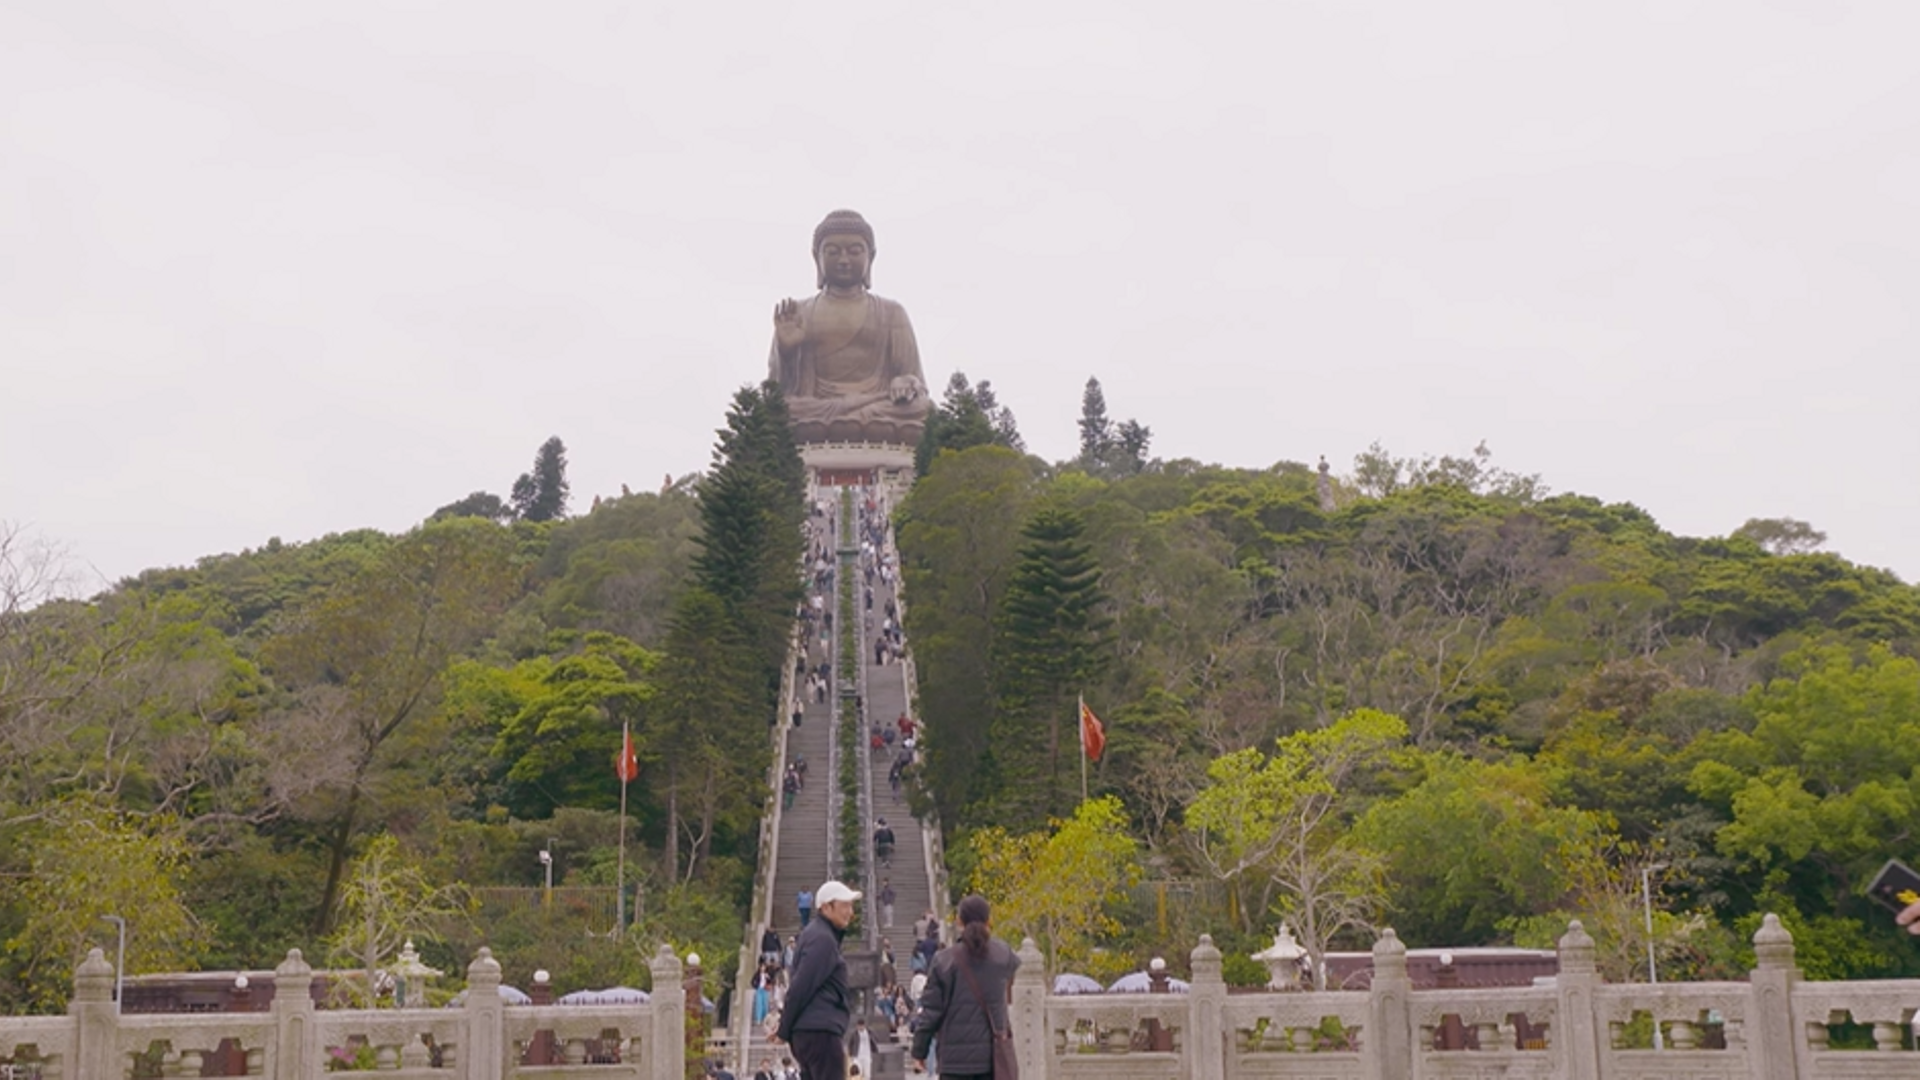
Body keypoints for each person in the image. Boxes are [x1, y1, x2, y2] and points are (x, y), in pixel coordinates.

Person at [769, 210, 930, 446]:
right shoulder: (799, 313)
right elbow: (777, 391)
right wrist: (786, 352)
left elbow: (915, 381)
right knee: (779, 413)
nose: (844, 260)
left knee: (923, 410)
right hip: (814, 411)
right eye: (833, 252)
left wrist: (905, 382)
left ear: (871, 257)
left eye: (854, 252)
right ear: (817, 258)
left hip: (878, 408)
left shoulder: (891, 312)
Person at [911, 894, 1021, 1080]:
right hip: (992, 1060)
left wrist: (919, 1051)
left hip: (954, 1063)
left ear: (959, 921)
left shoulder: (944, 960)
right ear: (989, 921)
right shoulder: (1003, 955)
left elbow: (930, 1012)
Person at [777, 879, 862, 1080]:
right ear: (826, 907)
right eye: (844, 905)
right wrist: (783, 1029)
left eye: (851, 906)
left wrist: (787, 1028)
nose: (850, 912)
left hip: (810, 1030)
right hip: (820, 1032)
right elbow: (800, 987)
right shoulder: (822, 939)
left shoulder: (816, 935)